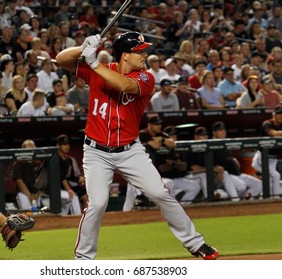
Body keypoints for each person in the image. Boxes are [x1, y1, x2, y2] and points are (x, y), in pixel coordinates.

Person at [56, 31, 219, 260]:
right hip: (96, 151)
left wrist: (93, 63)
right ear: (124, 55)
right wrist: (81, 47)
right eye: (139, 51)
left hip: (130, 151)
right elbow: (61, 59)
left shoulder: (145, 77)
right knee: (98, 203)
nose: (145, 54)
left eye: (144, 50)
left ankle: (195, 243)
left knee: (160, 193)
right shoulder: (97, 70)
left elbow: (124, 85)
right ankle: (83, 259)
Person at [212, 121, 262, 200]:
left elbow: (227, 159)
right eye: (220, 130)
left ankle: (244, 201)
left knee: (259, 184)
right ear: (214, 133)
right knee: (241, 186)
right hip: (224, 176)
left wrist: (233, 160)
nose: (223, 132)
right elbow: (209, 164)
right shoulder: (211, 145)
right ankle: (235, 201)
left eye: (224, 130)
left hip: (235, 173)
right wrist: (217, 170)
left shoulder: (225, 143)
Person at [251, 104, 282, 198]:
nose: (281, 116)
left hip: (273, 159)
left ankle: (263, 197)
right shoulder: (267, 123)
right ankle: (275, 199)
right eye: (278, 114)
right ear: (273, 115)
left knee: (270, 179)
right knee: (275, 176)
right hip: (261, 157)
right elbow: (273, 133)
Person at [56, 134, 87, 212]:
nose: (66, 146)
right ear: (58, 146)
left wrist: (81, 179)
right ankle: (76, 218)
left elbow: (70, 177)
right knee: (74, 197)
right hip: (56, 189)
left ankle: (86, 217)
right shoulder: (55, 160)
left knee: (85, 195)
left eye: (68, 144)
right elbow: (62, 178)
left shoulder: (68, 160)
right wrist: (69, 190)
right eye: (63, 144)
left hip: (66, 187)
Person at [12, 139, 41, 210]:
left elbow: (41, 180)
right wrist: (30, 196)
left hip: (37, 193)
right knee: (27, 210)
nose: (32, 148)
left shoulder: (38, 163)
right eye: (29, 147)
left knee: (40, 211)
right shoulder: (18, 163)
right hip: (23, 193)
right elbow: (19, 182)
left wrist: (37, 193)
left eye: (33, 147)